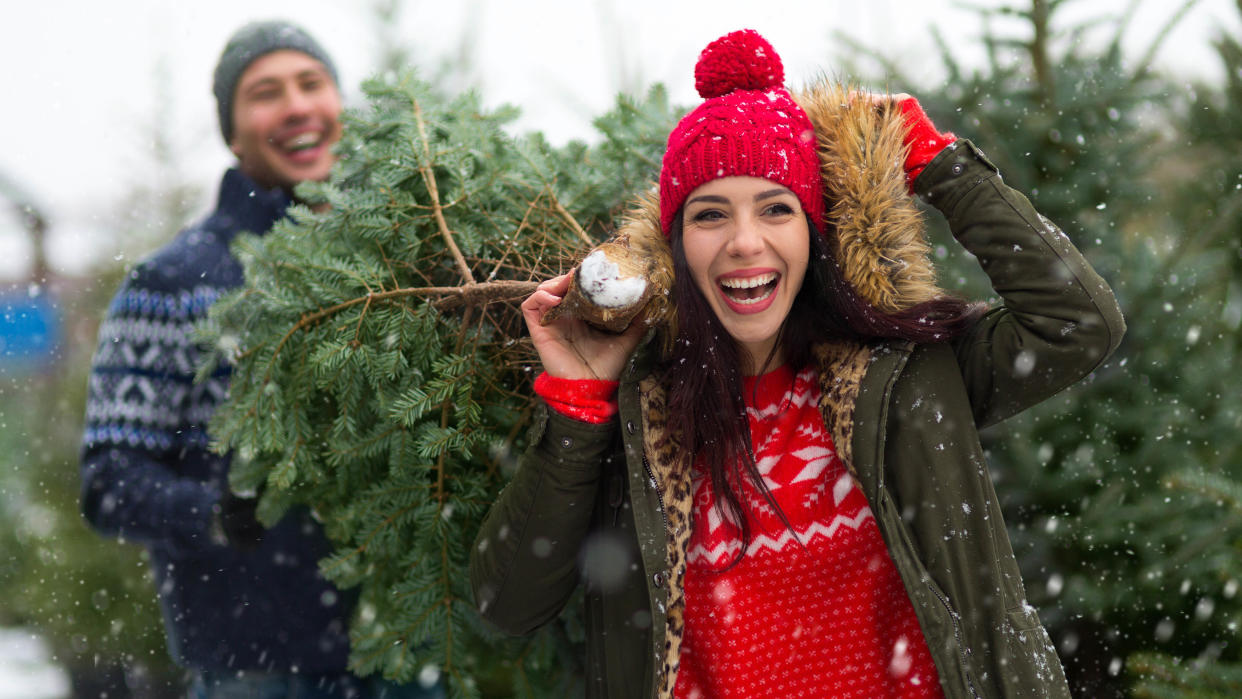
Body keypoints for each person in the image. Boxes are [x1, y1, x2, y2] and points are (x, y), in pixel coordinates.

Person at [470, 29, 1125, 698]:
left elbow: (1078, 323)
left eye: (776, 209)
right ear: (676, 246)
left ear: (813, 232)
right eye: (711, 215)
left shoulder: (905, 375)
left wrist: (939, 163)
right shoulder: (644, 418)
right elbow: (507, 601)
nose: (744, 242)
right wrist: (580, 405)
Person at [80, 20, 439, 699]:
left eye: (312, 83)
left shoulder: (411, 265)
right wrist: (215, 511)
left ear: (339, 104)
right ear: (234, 131)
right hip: (256, 666)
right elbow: (109, 479)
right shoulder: (174, 282)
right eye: (265, 92)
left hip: (406, 659)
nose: (297, 105)